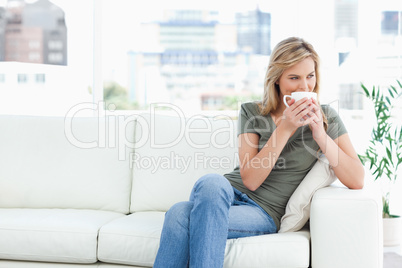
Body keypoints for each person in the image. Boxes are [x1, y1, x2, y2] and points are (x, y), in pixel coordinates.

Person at [153, 37, 364, 268]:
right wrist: (285, 128)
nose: (305, 87)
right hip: (225, 194)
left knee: (177, 215)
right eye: (294, 78)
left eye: (310, 76)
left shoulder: (327, 118)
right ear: (277, 80)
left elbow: (356, 179)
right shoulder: (252, 111)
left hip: (263, 211)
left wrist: (320, 135)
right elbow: (250, 179)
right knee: (211, 182)